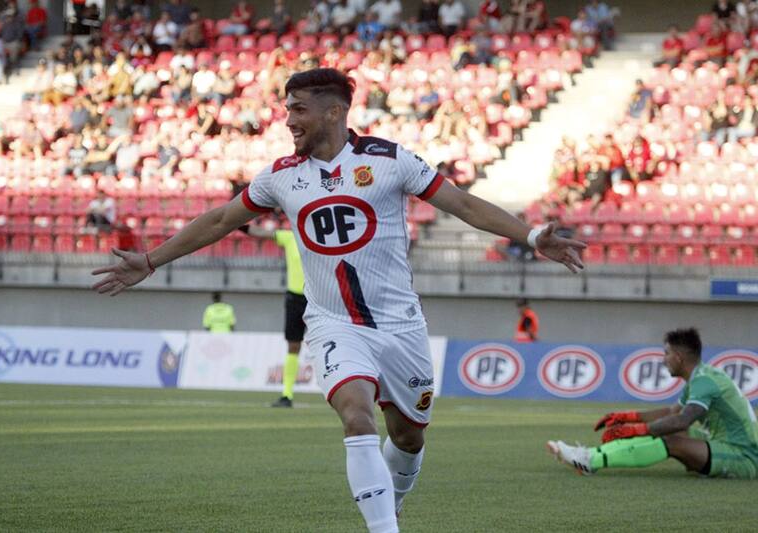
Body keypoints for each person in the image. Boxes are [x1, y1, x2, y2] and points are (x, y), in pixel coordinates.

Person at [91, 68, 585, 533]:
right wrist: (151, 260)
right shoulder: (280, 176)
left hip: (401, 327)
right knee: (356, 414)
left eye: (299, 110)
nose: (289, 121)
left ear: (333, 112)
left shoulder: (389, 160)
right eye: (287, 110)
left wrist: (531, 234)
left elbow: (463, 204)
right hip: (332, 323)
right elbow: (221, 220)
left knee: (409, 437)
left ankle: (391, 500)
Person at [548, 328, 758, 479]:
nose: (663, 359)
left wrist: (636, 430)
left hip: (744, 457)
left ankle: (590, 460)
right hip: (726, 444)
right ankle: (591, 456)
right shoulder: (701, 377)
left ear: (678, 357)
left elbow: (683, 421)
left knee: (672, 441)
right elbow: (671, 412)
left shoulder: (704, 381)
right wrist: (628, 417)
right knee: (666, 431)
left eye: (666, 353)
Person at [242, 222, 307, 408]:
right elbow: (260, 233)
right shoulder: (289, 237)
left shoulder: (320, 237)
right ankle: (287, 394)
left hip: (318, 296)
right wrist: (238, 224)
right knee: (293, 346)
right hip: (295, 298)